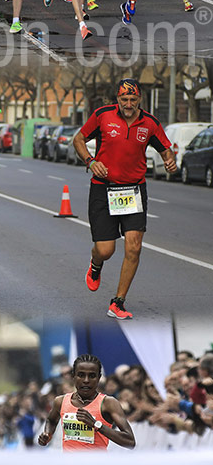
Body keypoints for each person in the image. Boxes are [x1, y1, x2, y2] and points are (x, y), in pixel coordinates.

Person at [73, 79, 176, 320]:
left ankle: (117, 302)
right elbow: (78, 139)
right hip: (103, 189)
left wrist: (170, 160)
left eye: (133, 99)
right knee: (106, 250)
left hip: (134, 191)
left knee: (134, 246)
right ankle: (96, 264)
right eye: (123, 99)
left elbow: (166, 149)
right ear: (116, 99)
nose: (128, 104)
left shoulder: (150, 123)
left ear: (139, 99)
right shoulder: (102, 116)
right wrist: (91, 161)